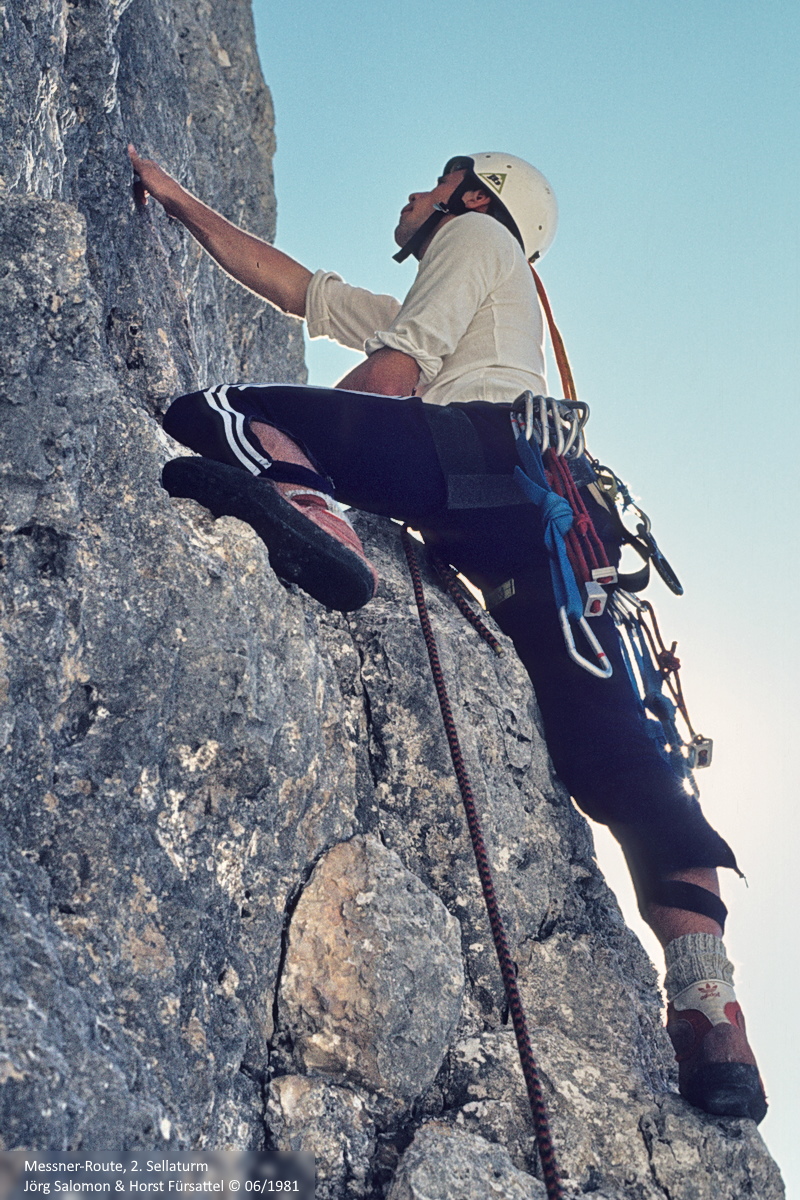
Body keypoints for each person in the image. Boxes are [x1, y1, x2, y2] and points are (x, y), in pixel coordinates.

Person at [127, 144, 766, 1123]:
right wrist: (180, 204)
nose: (414, 194)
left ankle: (316, 516)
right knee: (632, 773)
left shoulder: (472, 236)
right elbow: (303, 290)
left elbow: (393, 371)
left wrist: (328, 461)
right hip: (556, 531)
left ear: (474, 197)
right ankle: (709, 1013)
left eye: (434, 181)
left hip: (475, 461)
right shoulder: (475, 284)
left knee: (216, 409)